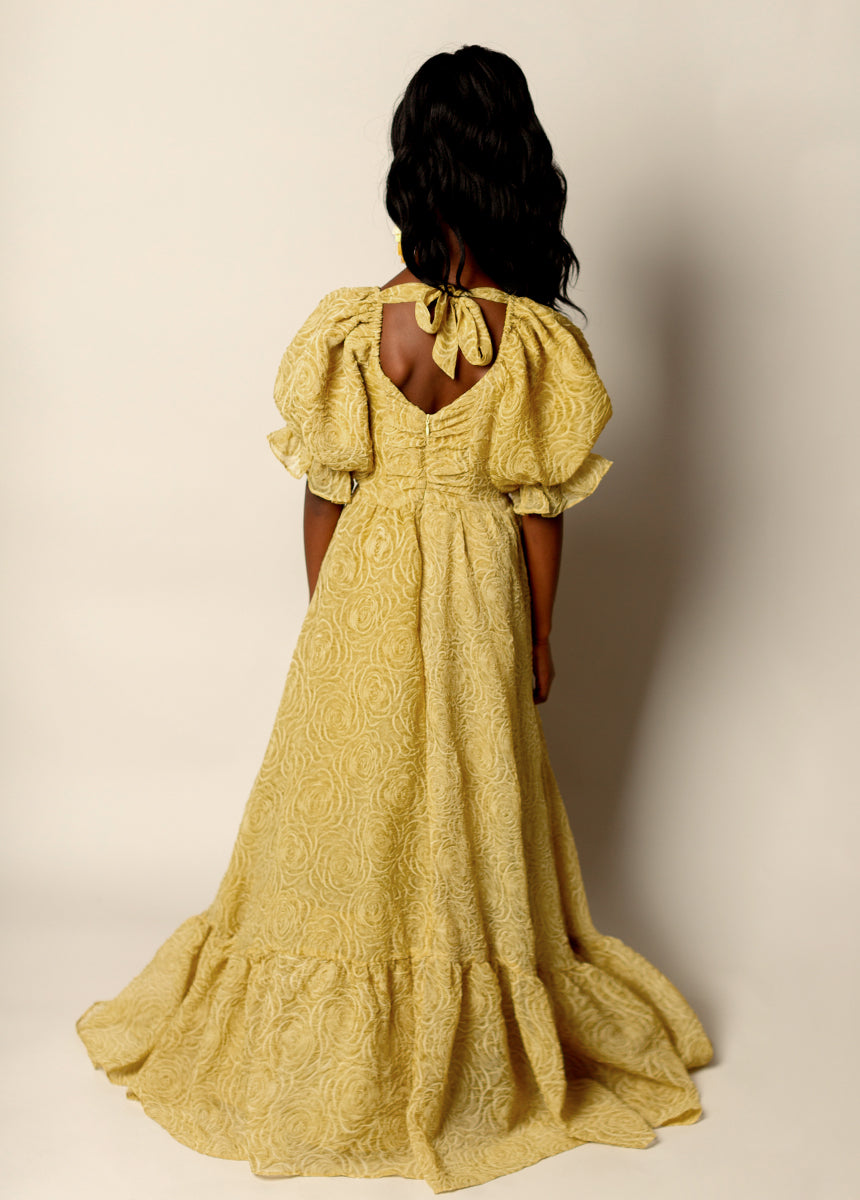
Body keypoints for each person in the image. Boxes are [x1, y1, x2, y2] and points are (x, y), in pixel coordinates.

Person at [75, 44, 714, 1194]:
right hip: (476, 589)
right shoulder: (532, 342)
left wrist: (330, 618)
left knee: (357, 800)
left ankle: (339, 1019)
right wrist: (537, 633)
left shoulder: (350, 328)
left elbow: (324, 493)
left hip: (362, 583)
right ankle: (459, 1024)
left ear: (411, 170)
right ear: (512, 170)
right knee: (466, 791)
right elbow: (537, 510)